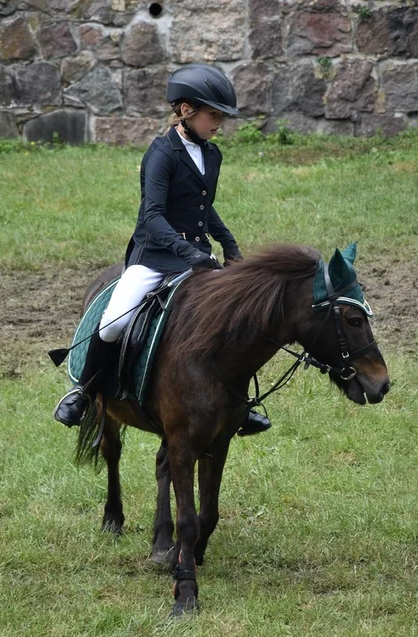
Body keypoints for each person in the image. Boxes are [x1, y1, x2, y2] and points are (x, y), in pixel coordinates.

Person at [53, 63, 271, 436]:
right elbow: (152, 215)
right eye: (213, 115)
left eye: (222, 117)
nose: (219, 124)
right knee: (114, 322)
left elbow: (202, 207)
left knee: (236, 319)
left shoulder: (212, 154)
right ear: (186, 111)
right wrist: (188, 254)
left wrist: (230, 246)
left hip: (196, 257)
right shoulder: (162, 153)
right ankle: (85, 392)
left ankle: (238, 404)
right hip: (154, 257)